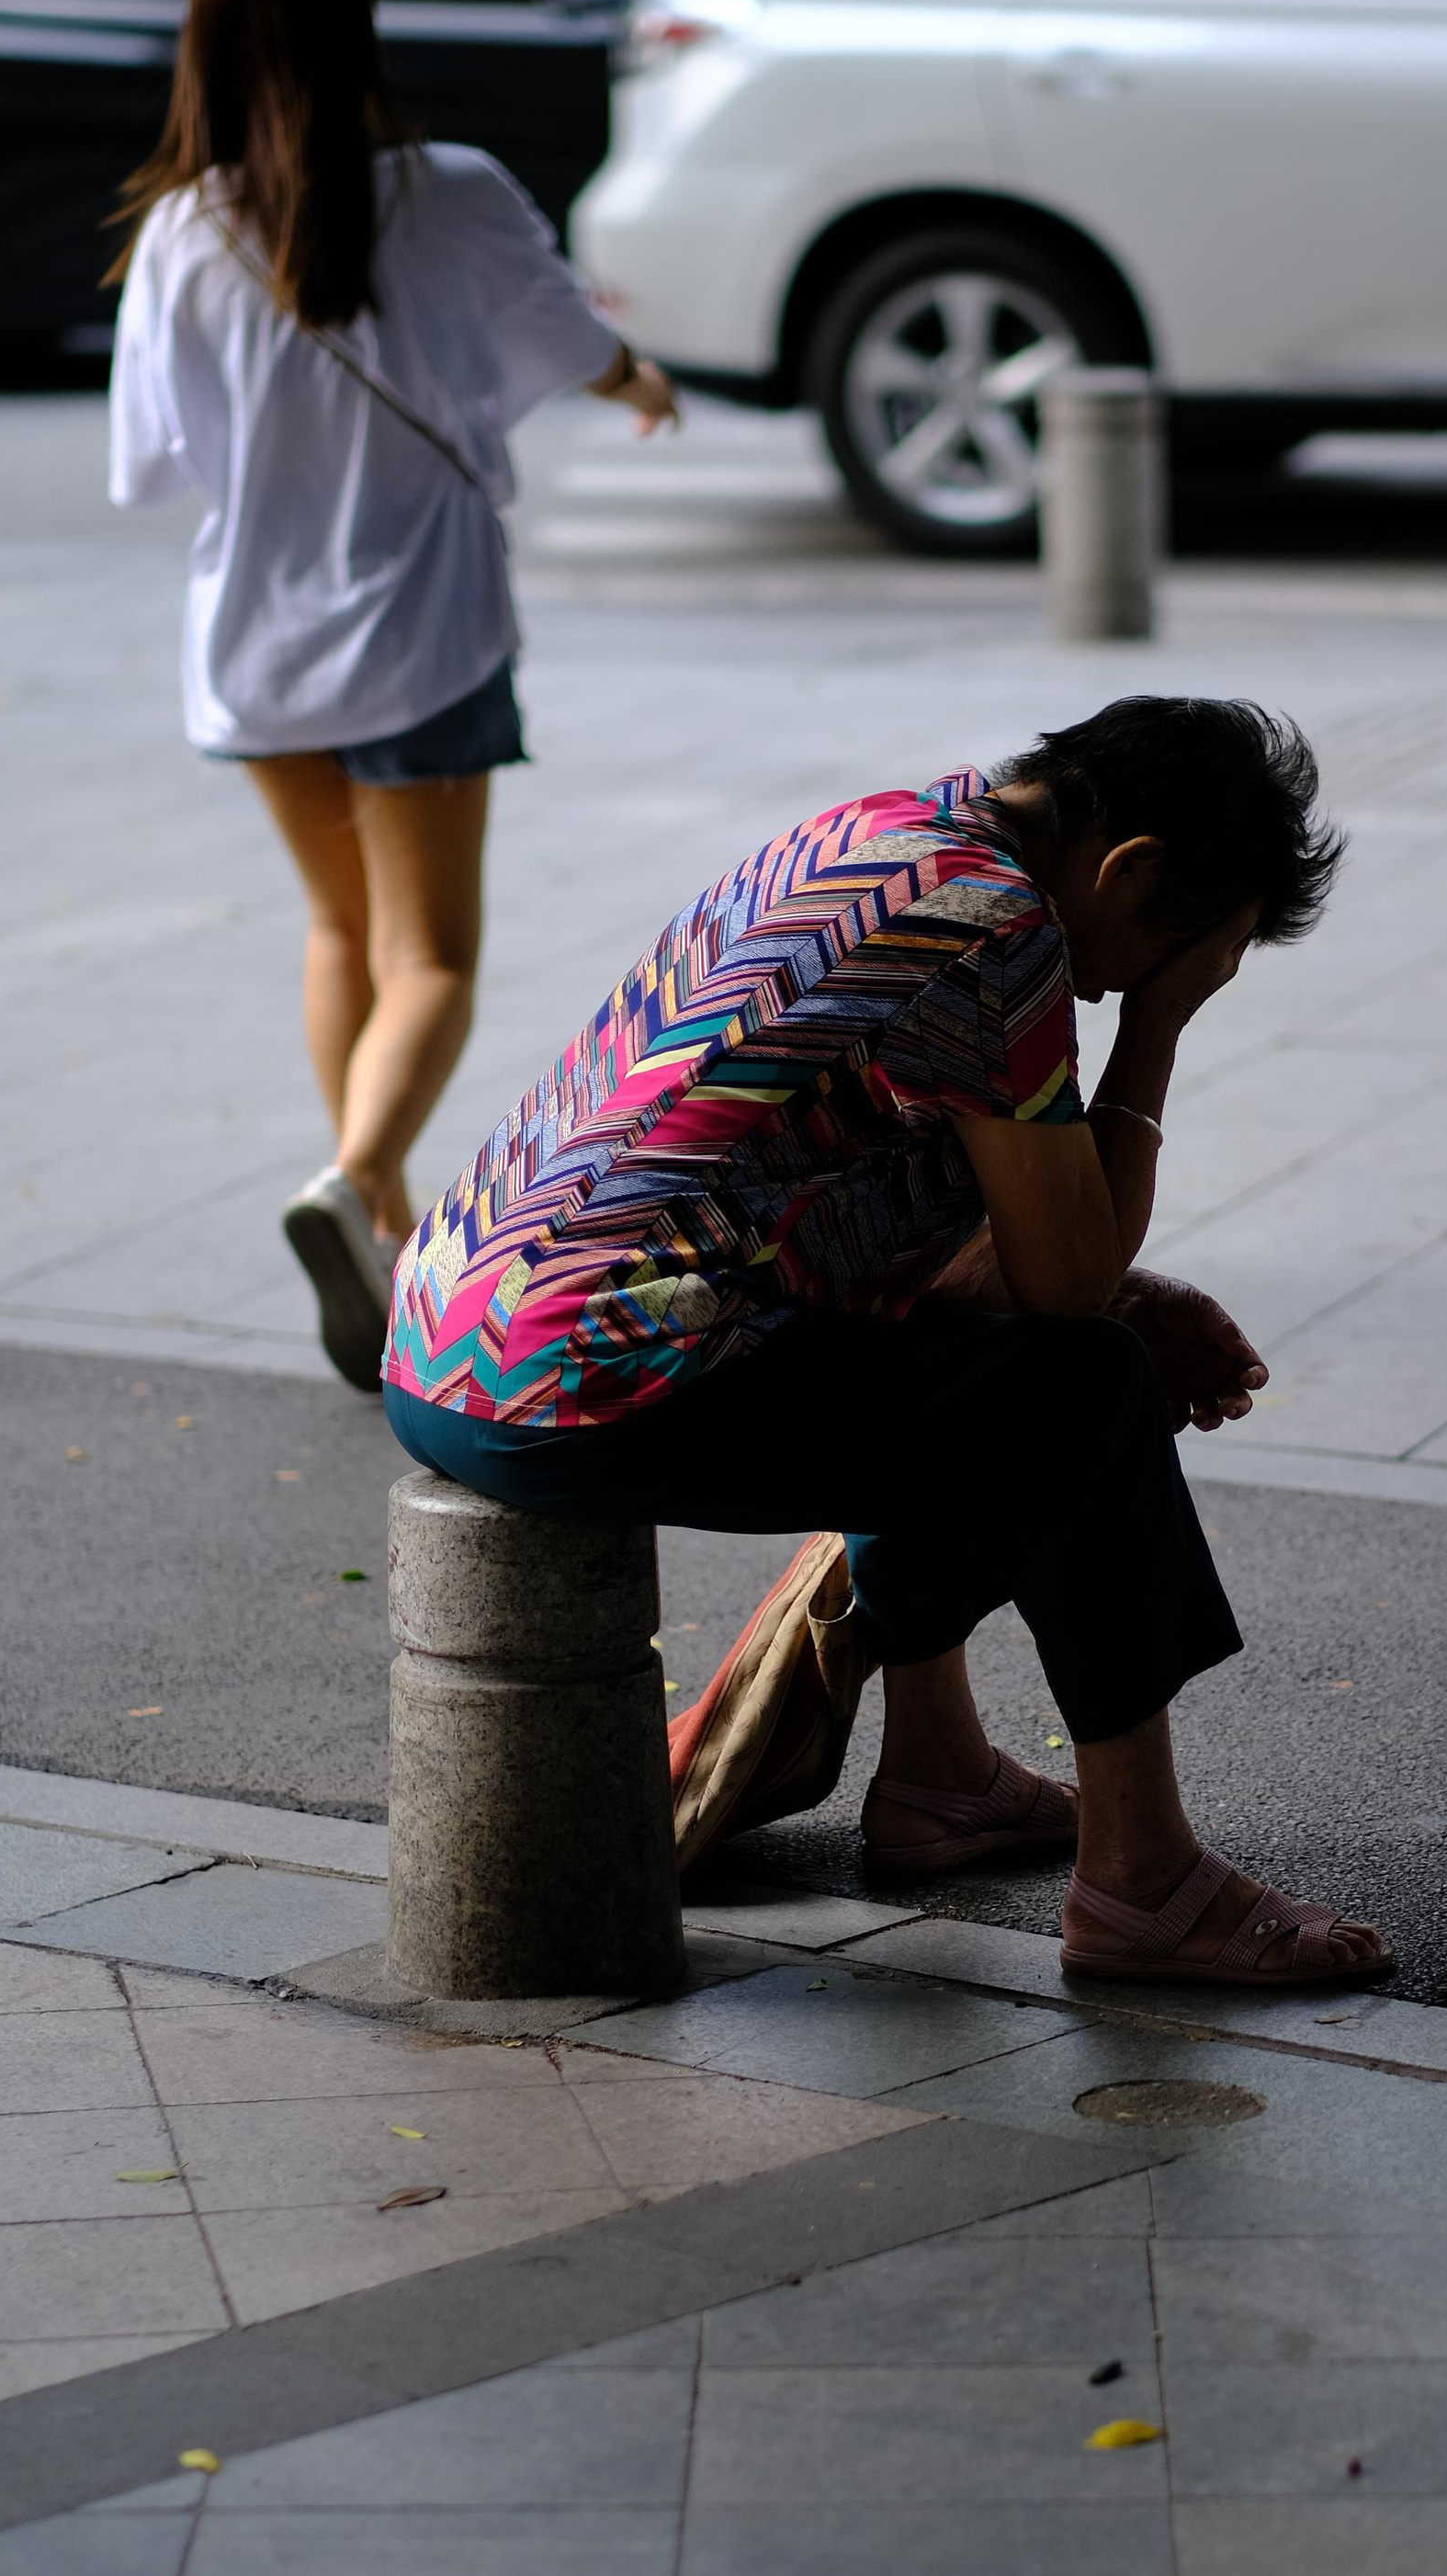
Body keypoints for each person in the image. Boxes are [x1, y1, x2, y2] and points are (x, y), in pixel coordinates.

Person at [382, 695, 1394, 1988]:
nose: (1120, 982)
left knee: (977, 1348)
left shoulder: (884, 835)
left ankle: (940, 1774)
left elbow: (1007, 1262)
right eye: (1166, 950)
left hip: (454, 1344)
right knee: (1084, 1394)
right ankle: (1146, 1883)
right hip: (578, 1379)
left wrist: (1111, 1286)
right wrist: (1158, 1029)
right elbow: (1074, 1282)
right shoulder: (999, 932)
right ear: (1129, 868)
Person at [106, 0, 677, 1390]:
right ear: (361, 32)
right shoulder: (454, 192)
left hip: (255, 645)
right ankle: (356, 1178)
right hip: (420, 627)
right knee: (434, 952)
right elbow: (565, 339)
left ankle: (383, 1214)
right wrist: (642, 386)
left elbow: (151, 465)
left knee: (342, 931)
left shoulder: (179, 230)